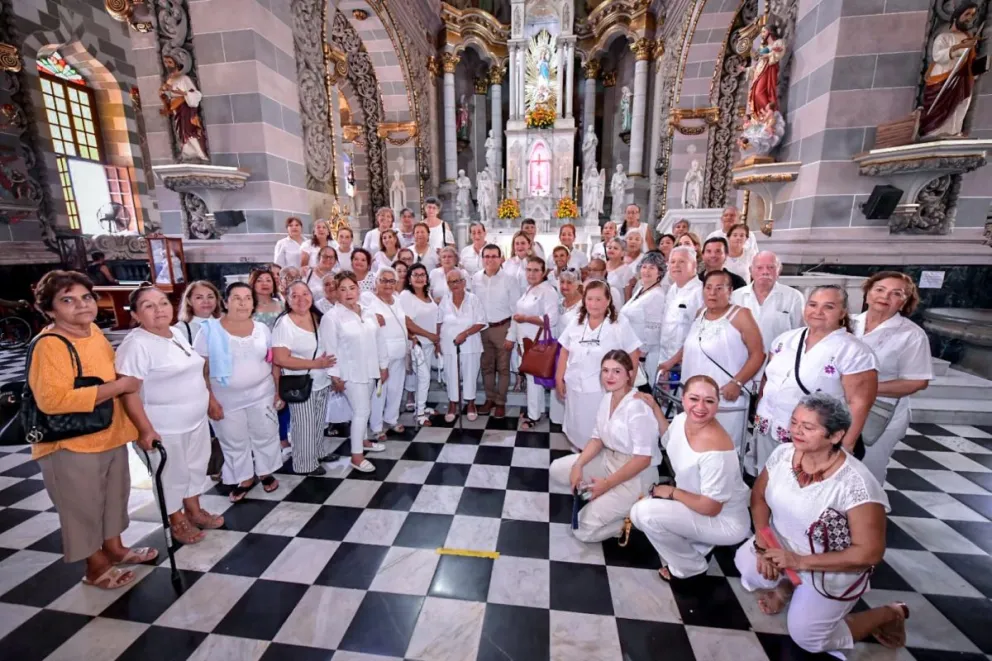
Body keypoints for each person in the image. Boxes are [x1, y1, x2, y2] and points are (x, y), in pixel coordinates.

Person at [735, 393, 908, 656]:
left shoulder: (855, 485)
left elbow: (869, 553)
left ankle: (890, 614)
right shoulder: (784, 454)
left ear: (836, 436)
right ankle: (789, 586)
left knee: (808, 639)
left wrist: (798, 562)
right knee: (747, 566)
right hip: (781, 548)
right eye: (794, 422)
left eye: (808, 427)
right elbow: (758, 497)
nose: (796, 431)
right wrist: (762, 541)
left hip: (829, 566)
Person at [27, 271, 152, 590]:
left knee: (113, 498)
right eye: (67, 300)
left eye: (85, 297)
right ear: (51, 309)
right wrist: (119, 386)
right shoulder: (50, 344)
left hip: (108, 434)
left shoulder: (93, 331)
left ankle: (115, 548)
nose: (81, 306)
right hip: (71, 444)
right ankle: (95, 566)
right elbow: (53, 400)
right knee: (81, 508)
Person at [117, 286, 224, 545]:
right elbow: (128, 392)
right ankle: (176, 520)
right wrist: (144, 430)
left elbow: (194, 371)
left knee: (195, 468)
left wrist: (208, 399)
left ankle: (194, 510)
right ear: (136, 315)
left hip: (195, 421)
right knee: (170, 475)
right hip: (164, 427)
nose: (159, 310)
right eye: (149, 306)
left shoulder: (175, 333)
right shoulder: (136, 344)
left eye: (163, 303)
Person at [630, 375, 751, 580]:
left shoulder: (716, 451)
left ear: (717, 405)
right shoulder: (681, 420)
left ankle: (690, 567)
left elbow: (711, 508)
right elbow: (670, 439)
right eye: (694, 399)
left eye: (709, 401)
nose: (700, 407)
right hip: (698, 503)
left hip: (724, 519)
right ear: (683, 399)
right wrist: (655, 408)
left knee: (643, 513)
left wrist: (671, 493)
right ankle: (699, 544)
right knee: (642, 516)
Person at [753, 285, 878, 472]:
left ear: (843, 312)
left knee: (802, 486)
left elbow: (859, 403)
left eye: (829, 307)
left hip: (814, 438)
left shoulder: (854, 351)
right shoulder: (785, 340)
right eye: (812, 305)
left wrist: (845, 446)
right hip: (769, 427)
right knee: (767, 479)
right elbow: (768, 378)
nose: (818, 312)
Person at [550, 350, 661, 541]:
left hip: (636, 476)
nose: (610, 376)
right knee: (557, 470)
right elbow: (597, 438)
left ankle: (632, 519)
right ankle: (606, 496)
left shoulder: (638, 407)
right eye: (605, 370)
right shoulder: (608, 398)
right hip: (609, 460)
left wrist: (607, 484)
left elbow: (643, 459)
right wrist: (578, 465)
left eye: (617, 371)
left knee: (581, 529)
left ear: (629, 374)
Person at [660, 270, 765, 453]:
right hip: (692, 394)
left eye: (719, 288)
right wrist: (671, 362)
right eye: (708, 288)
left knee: (721, 450)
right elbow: (691, 343)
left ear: (730, 291)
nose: (712, 293)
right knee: (690, 446)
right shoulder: (700, 313)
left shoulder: (741, 315)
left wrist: (737, 382)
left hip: (724, 396)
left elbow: (758, 354)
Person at [195, 283, 282, 502]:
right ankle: (243, 477)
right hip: (225, 398)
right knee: (234, 439)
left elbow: (273, 363)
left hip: (262, 392)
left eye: (247, 298)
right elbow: (200, 370)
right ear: (225, 302)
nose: (243, 303)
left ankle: (265, 471)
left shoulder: (262, 329)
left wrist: (277, 391)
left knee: (266, 432)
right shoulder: (208, 331)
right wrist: (210, 400)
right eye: (236, 298)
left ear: (253, 303)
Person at [852, 272, 933, 484]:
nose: (885, 297)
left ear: (904, 302)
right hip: (843, 408)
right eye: (879, 290)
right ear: (868, 294)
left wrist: (865, 387)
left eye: (896, 293)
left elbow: (917, 381)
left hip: (881, 413)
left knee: (867, 470)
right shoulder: (849, 324)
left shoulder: (911, 335)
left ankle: (870, 513)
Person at [556, 281, 642, 449]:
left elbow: (634, 352)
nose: (593, 304)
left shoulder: (619, 323)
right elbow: (564, 350)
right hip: (575, 387)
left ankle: (595, 463)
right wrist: (559, 377)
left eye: (598, 299)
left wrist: (628, 383)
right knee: (576, 427)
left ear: (608, 300)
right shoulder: (576, 322)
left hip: (602, 390)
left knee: (598, 430)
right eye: (589, 299)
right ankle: (579, 458)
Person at [322, 272, 389, 473]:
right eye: (342, 289)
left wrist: (383, 366)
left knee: (364, 408)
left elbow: (379, 340)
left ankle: (364, 440)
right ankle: (356, 456)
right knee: (361, 411)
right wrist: (334, 376)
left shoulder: (368, 312)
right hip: (350, 374)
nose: (348, 293)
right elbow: (329, 350)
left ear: (358, 290)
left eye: (352, 288)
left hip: (370, 370)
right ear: (336, 293)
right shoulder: (331, 318)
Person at [271, 281, 336, 475]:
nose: (301, 299)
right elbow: (280, 358)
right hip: (299, 383)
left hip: (321, 380)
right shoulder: (285, 323)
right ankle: (304, 464)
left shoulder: (317, 317)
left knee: (317, 421)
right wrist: (316, 364)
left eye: (305, 294)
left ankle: (317, 452)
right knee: (303, 425)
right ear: (287, 299)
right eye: (295, 296)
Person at [506, 256, 560, 429]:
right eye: (529, 269)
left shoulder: (548, 291)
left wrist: (526, 318)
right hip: (526, 342)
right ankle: (534, 410)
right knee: (531, 378)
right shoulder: (528, 289)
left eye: (536, 270)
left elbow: (551, 319)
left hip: (539, 342)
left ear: (543, 272)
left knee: (534, 380)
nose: (532, 273)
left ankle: (534, 416)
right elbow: (518, 316)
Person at [473, 244, 519, 419]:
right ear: (482, 258)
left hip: (503, 328)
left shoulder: (510, 279)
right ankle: (489, 398)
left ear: (501, 259)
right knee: (487, 367)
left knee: (503, 368)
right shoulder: (475, 278)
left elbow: (516, 309)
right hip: (483, 329)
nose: (490, 259)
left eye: (494, 256)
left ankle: (501, 402)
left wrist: (511, 334)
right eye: (487, 256)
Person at [363, 267, 409, 441]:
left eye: (391, 281)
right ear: (376, 282)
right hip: (381, 354)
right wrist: (371, 316)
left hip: (399, 352)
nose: (387, 284)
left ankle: (391, 418)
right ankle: (376, 426)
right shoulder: (369, 299)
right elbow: (360, 313)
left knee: (396, 389)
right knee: (379, 391)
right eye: (383, 280)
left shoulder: (397, 300)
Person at [731, 251, 805, 355]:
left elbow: (800, 334)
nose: (765, 272)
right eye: (759, 268)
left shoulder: (794, 297)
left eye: (771, 267)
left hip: (779, 361)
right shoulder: (735, 297)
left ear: (779, 270)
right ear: (751, 270)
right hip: (742, 361)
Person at [438, 268, 486, 422]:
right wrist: (437, 341)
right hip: (448, 345)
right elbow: (439, 322)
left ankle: (470, 403)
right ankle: (452, 404)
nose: (455, 284)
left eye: (458, 280)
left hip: (471, 344)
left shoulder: (473, 299)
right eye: (452, 282)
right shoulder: (444, 300)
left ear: (464, 282)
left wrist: (464, 334)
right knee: (450, 375)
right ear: (448, 284)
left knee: (471, 374)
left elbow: (481, 322)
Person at [400, 263, 440, 426]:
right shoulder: (405, 295)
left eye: (422, 274)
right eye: (415, 274)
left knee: (423, 377)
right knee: (423, 378)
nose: (419, 277)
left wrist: (435, 340)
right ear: (409, 279)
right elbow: (407, 322)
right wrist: (429, 335)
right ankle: (420, 413)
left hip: (429, 344)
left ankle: (420, 405)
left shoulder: (428, 295)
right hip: (416, 344)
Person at [657, 247, 704, 379]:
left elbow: (698, 334)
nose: (676, 266)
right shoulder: (673, 289)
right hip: (666, 361)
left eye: (682, 261)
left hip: (688, 364)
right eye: (672, 262)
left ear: (694, 264)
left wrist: (673, 361)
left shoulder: (700, 292)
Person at [620, 251, 667, 377]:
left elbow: (653, 330)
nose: (647, 271)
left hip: (644, 358)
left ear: (660, 272)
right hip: (631, 352)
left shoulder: (657, 295)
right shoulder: (641, 289)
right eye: (644, 267)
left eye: (652, 268)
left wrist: (641, 354)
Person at [550, 270, 583, 426]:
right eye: (562, 282)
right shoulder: (558, 302)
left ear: (578, 284)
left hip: (574, 353)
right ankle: (557, 419)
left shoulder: (583, 305)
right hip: (558, 349)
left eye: (569, 282)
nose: (565, 286)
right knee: (557, 381)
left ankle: (572, 423)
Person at [174, 280, 222, 344]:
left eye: (210, 297)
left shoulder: (225, 324)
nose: (206, 301)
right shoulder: (179, 330)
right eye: (199, 298)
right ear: (189, 301)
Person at [604, 238, 632, 305]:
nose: (611, 250)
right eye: (610, 248)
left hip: (617, 306)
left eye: (615, 248)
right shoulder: (602, 265)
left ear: (623, 253)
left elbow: (627, 295)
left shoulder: (626, 270)